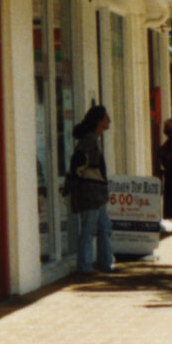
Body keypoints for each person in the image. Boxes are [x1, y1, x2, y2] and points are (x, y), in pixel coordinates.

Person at [61, 105, 113, 273]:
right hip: (90, 193)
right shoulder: (89, 141)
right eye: (106, 118)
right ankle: (85, 267)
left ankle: (105, 263)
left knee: (103, 227)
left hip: (95, 193)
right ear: (99, 121)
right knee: (90, 229)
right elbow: (78, 166)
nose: (109, 121)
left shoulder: (90, 139)